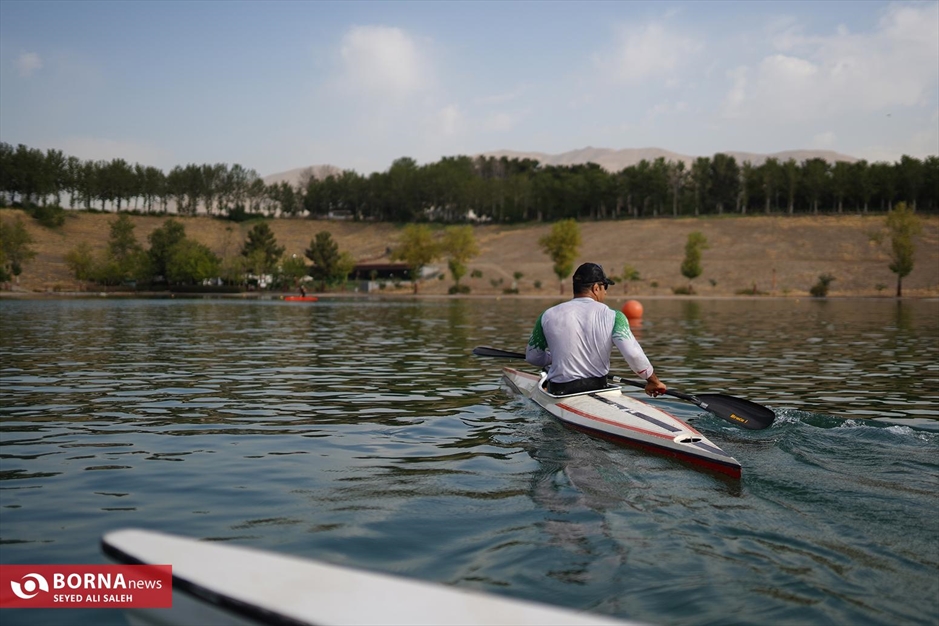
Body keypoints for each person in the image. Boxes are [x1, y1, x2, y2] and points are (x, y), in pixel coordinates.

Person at [525, 262, 667, 397]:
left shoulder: (547, 315)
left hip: (559, 391)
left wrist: (554, 357)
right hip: (598, 389)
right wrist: (653, 381)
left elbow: (533, 357)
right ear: (596, 288)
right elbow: (633, 355)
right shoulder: (614, 316)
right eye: (605, 287)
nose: (605, 293)